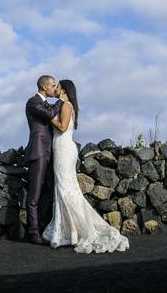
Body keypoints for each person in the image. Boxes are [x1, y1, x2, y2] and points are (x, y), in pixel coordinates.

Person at [42, 79, 130, 253]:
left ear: (65, 89)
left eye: (58, 86)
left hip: (63, 149)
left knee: (66, 188)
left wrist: (50, 117)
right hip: (63, 148)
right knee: (65, 188)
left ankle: (78, 230)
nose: (56, 89)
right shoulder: (67, 105)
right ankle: (71, 231)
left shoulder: (66, 106)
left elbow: (62, 126)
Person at [23, 74, 63, 244]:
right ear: (45, 87)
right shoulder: (33, 102)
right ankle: (33, 233)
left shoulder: (45, 103)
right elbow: (49, 114)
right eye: (53, 85)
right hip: (38, 152)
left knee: (48, 193)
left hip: (49, 152)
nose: (55, 88)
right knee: (34, 196)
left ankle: (44, 229)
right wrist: (61, 102)